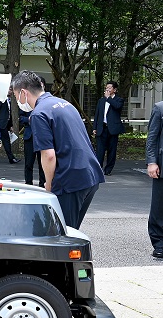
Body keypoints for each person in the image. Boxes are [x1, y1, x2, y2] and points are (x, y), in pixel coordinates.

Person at [11, 70, 104, 230]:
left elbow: (48, 155)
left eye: (15, 95)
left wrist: (49, 183)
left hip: (69, 179)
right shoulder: (65, 104)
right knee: (72, 231)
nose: (17, 100)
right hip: (90, 174)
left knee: (61, 234)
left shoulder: (39, 113)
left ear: (24, 93)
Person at [146, 99, 163, 258]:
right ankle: (159, 243)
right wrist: (152, 162)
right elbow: (152, 138)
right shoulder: (160, 108)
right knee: (160, 207)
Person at [93, 81, 124, 176]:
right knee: (100, 151)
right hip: (102, 128)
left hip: (113, 129)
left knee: (112, 150)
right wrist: (95, 127)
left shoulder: (119, 100)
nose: (107, 89)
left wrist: (109, 98)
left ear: (115, 90)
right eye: (106, 88)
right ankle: (98, 169)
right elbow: (97, 115)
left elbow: (117, 107)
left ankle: (108, 170)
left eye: (109, 88)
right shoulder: (101, 101)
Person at [19, 108, 46, 187]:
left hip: (41, 137)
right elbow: (21, 118)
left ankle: (43, 185)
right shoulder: (26, 106)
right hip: (29, 137)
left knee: (42, 164)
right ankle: (28, 184)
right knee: (28, 163)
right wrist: (29, 119)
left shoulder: (43, 105)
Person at [0, 90, 20, 164]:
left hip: (5, 125)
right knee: (0, 142)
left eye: (11, 90)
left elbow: (9, 114)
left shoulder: (8, 101)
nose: (10, 91)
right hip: (0, 124)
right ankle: (11, 158)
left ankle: (11, 158)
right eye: (9, 89)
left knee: (5, 141)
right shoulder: (1, 100)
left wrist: (10, 125)